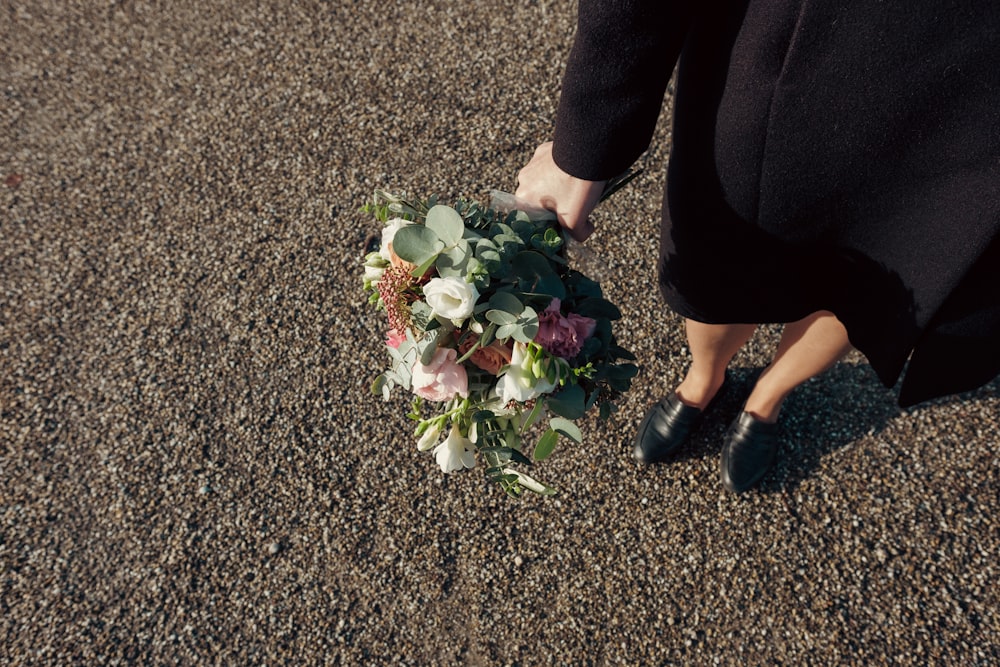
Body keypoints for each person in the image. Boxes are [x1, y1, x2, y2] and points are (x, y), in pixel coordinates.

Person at [514, 1, 1000, 492]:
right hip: (797, 63)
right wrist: (584, 144)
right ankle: (704, 379)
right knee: (724, 271)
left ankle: (766, 397)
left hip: (973, 119)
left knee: (874, 282)